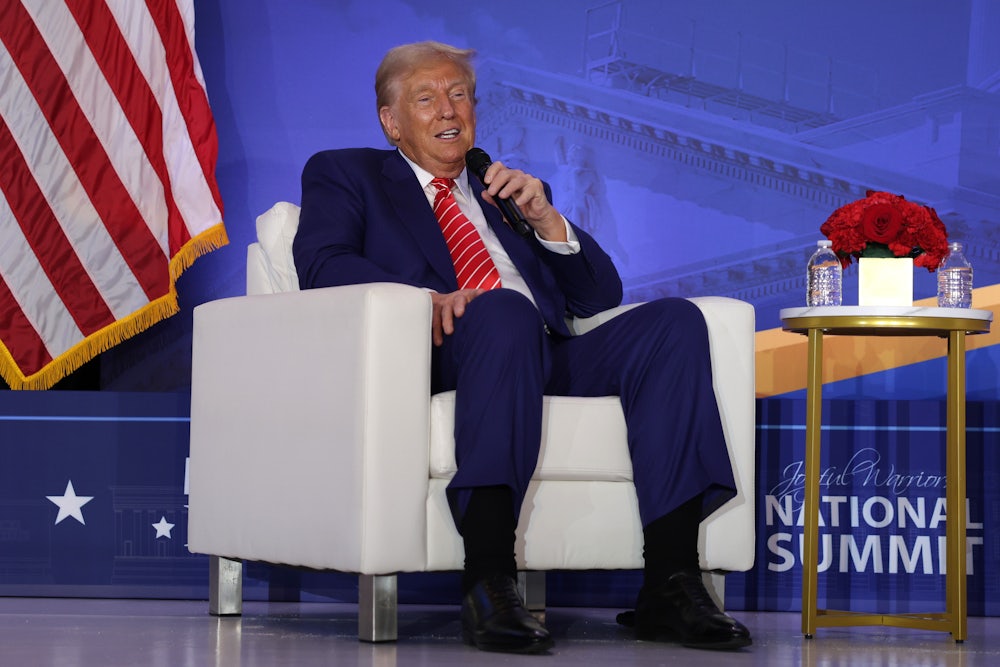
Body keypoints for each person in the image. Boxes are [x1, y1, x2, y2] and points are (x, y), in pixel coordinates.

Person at [293, 40, 751, 654]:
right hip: (439, 348)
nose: (449, 110)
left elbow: (597, 297)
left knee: (672, 322)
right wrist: (420, 299)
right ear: (391, 120)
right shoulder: (347, 173)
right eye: (426, 98)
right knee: (502, 311)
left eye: (460, 94)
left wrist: (546, 221)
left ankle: (670, 582)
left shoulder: (502, 193)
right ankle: (488, 581)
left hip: (542, 351)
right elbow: (323, 265)